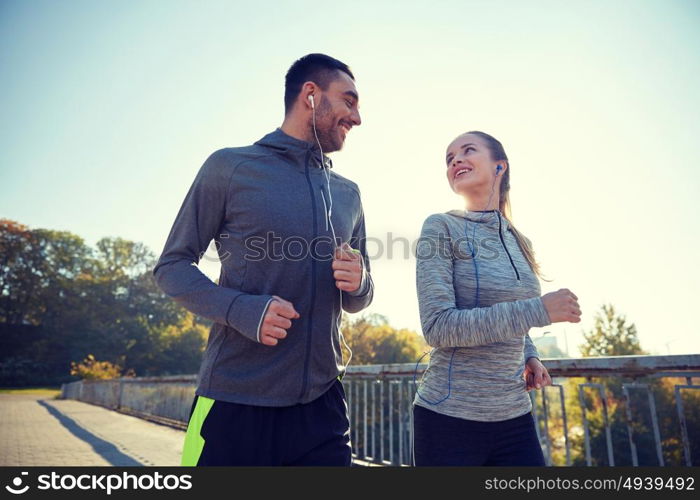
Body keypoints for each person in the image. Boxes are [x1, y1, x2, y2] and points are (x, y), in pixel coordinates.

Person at [153, 53, 373, 466]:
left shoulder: (349, 193)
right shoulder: (230, 167)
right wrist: (241, 309)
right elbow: (172, 266)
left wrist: (359, 282)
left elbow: (359, 298)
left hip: (322, 410)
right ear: (311, 95)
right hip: (235, 404)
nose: (357, 117)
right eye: (349, 101)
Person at [412, 131, 581, 466]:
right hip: (449, 419)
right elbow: (438, 327)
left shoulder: (522, 242)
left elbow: (515, 318)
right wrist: (539, 309)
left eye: (467, 150)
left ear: (500, 166)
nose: (455, 160)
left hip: (515, 418)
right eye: (449, 158)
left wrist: (529, 354)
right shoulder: (440, 227)